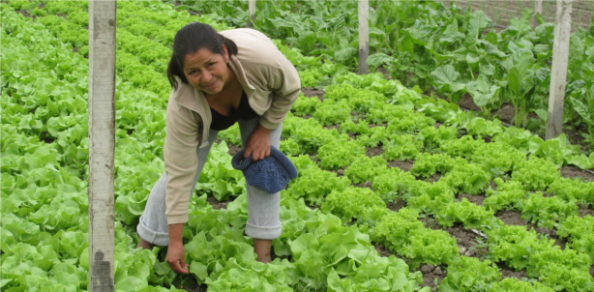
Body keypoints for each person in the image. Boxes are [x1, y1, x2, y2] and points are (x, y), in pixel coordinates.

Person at [136, 22, 300, 273]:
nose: (206, 78)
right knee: (178, 174)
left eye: (210, 65)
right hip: (205, 113)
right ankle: (146, 242)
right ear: (183, 71)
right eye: (194, 71)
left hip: (256, 96)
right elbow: (180, 173)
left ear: (224, 53)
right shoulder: (184, 102)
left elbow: (290, 88)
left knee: (264, 164)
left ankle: (263, 257)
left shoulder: (262, 62)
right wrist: (176, 241)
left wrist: (264, 130)